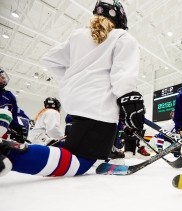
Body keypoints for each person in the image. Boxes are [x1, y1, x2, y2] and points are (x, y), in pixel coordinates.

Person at [0, 0, 145, 177]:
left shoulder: (78, 35)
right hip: (99, 108)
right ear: (121, 17)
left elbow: (50, 60)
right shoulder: (122, 37)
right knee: (81, 162)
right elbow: (123, 74)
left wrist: (74, 80)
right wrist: (129, 99)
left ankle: (32, 151)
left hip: (77, 105)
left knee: (74, 149)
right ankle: (12, 155)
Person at [0, 68, 26, 144]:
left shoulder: (10, 95)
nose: (3, 78)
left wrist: (18, 128)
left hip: (4, 130)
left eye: (3, 77)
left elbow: (13, 115)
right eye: (0, 76)